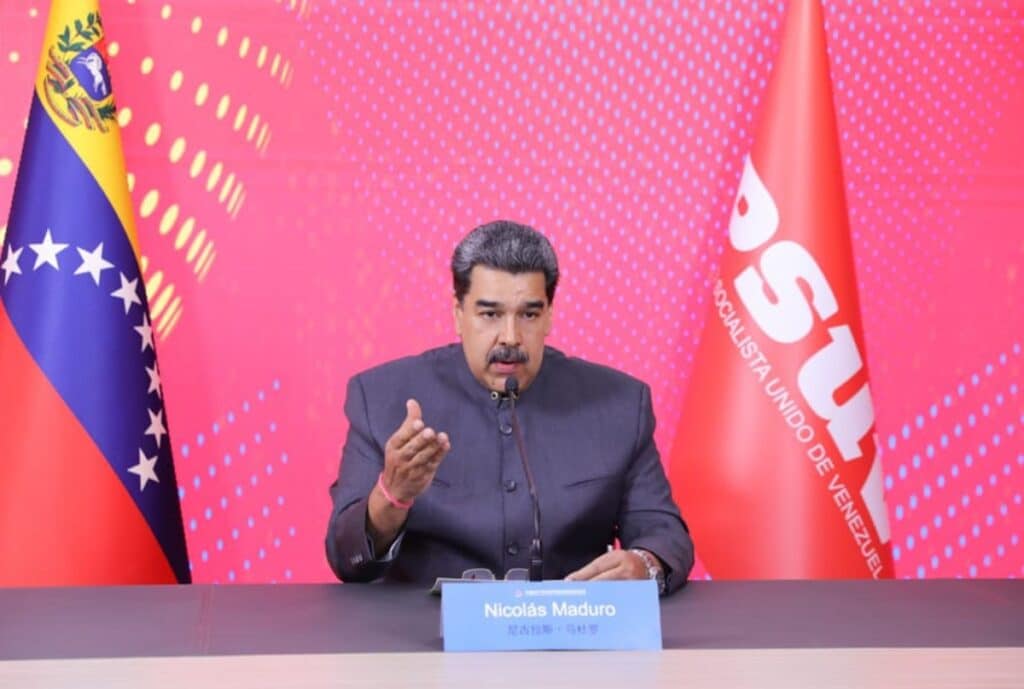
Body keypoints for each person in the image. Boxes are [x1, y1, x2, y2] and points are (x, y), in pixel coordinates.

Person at [325, 220, 694, 594]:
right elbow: (347, 560)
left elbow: (663, 533)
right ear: (458, 313)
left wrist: (644, 565)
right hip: (426, 643)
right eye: (490, 314)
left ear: (549, 314)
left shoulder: (619, 405)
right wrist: (391, 495)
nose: (511, 337)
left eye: (529, 315)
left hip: (572, 637)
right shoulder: (382, 398)